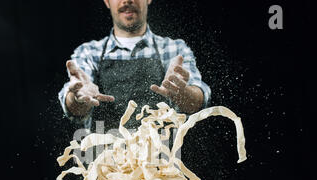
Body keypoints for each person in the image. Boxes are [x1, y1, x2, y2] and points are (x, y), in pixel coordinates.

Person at [59, 0, 211, 133]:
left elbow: (197, 102)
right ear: (107, 1)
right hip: (104, 163)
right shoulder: (89, 53)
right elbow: (74, 110)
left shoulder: (174, 49)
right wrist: (78, 98)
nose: (127, 0)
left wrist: (181, 92)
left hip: (162, 163)